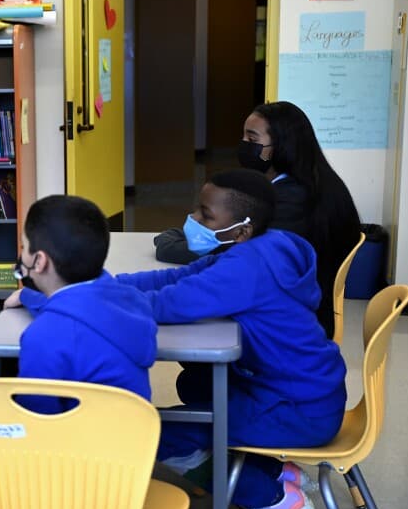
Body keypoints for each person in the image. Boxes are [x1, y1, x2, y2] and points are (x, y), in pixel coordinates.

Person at [118, 169, 346, 509]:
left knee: (157, 431)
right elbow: (179, 275)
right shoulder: (268, 244)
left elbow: (168, 304)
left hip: (297, 411)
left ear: (241, 230)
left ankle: (272, 498)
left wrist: (81, 301)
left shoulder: (246, 269)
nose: (193, 220)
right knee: (195, 382)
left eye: (206, 216)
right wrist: (102, 285)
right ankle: (271, 466)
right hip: (312, 394)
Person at [0, 194, 158, 506]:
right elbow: (78, 309)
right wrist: (31, 298)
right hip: (124, 471)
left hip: (67, 481)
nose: (21, 253)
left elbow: (34, 430)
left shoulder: (45, 336)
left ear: (39, 261)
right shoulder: (131, 300)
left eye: (24, 246)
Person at [154, 102, 361, 338]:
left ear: (281, 146)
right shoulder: (302, 184)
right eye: (243, 137)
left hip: (289, 323)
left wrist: (171, 245)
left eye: (252, 140)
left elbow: (228, 253)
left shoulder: (292, 201)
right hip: (289, 306)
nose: (244, 145)